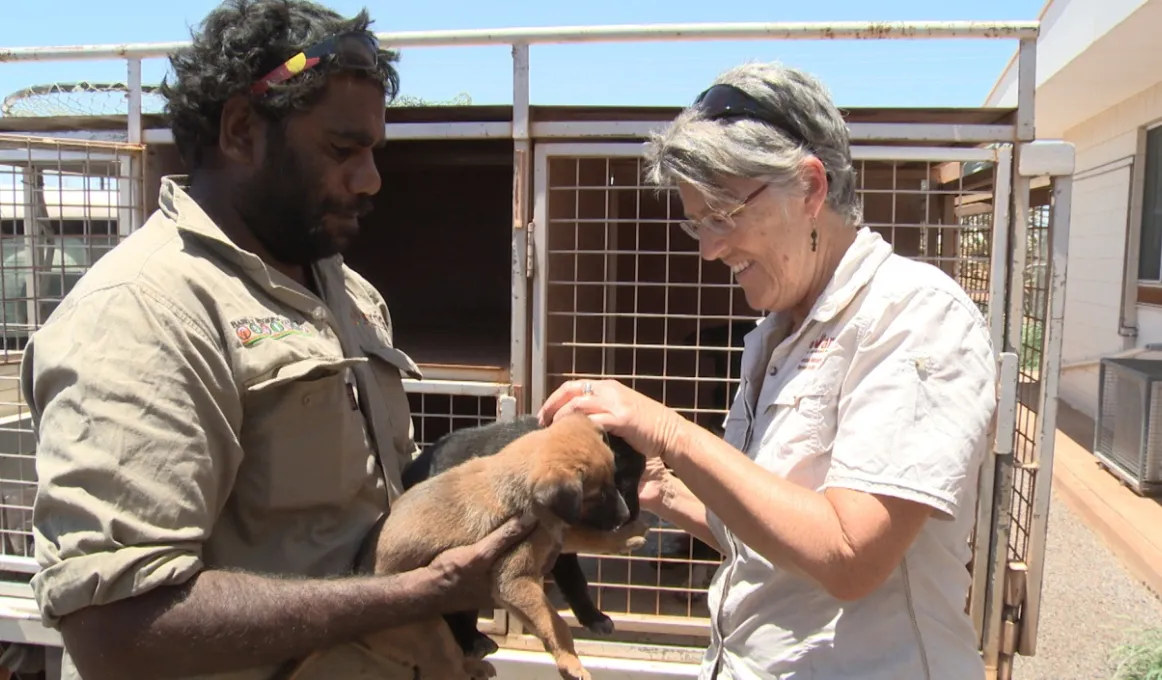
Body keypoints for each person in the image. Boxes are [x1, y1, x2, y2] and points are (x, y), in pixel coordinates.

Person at [19, 2, 533, 679]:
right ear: (240, 130)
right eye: (341, 150)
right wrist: (416, 593)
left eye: (373, 151)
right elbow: (117, 629)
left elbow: (356, 509)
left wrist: (503, 472)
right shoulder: (143, 313)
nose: (371, 178)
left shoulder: (345, 292)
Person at [539, 61, 998, 680]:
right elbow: (775, 535)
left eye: (723, 215)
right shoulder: (772, 335)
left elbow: (849, 556)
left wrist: (669, 432)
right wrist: (662, 489)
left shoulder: (913, 314)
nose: (708, 248)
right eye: (696, 222)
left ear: (810, 188)